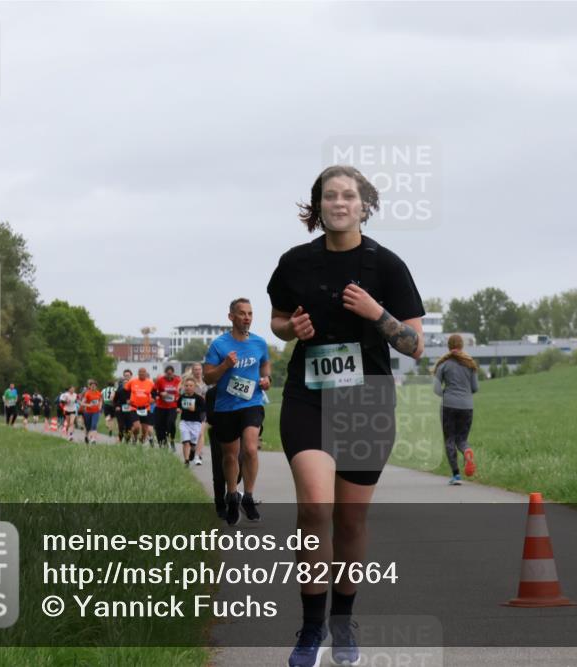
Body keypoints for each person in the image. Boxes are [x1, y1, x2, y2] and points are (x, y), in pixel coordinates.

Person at [267, 165, 424, 667]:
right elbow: (277, 320)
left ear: (364, 205)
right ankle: (311, 629)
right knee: (315, 508)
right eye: (330, 196)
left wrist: (377, 314)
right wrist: (291, 327)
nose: (339, 203)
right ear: (317, 206)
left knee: (351, 518)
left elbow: (415, 345)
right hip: (308, 394)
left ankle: (342, 621)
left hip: (367, 400)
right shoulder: (295, 262)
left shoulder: (387, 266)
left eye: (348, 196)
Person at [203, 298, 271, 526]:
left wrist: (266, 379)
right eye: (242, 313)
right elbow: (207, 377)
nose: (247, 317)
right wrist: (224, 366)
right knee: (230, 456)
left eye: (250, 313)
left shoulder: (260, 343)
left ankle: (248, 497)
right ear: (231, 317)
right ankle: (232, 496)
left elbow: (265, 366)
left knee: (251, 448)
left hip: (251, 402)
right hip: (225, 406)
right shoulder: (218, 345)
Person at [433, 334, 479, 485]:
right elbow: (475, 388)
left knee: (450, 440)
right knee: (462, 440)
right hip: (467, 406)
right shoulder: (470, 364)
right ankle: (467, 451)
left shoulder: (443, 365)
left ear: (449, 346)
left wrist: (446, 394)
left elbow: (436, 389)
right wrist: (464, 393)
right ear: (462, 346)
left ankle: (456, 475)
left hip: (448, 406)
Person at [124, 368, 156, 445]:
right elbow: (125, 391)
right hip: (134, 407)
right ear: (138, 373)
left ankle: (141, 442)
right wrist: (127, 399)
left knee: (145, 430)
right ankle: (134, 439)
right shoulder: (132, 381)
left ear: (146, 373)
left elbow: (155, 393)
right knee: (137, 427)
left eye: (143, 372)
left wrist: (153, 400)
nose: (141, 374)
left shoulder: (150, 383)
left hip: (145, 408)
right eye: (140, 372)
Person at [179, 377, 207, 465]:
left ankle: (193, 451)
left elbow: (204, 409)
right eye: (186, 385)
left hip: (195, 423)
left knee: (193, 444)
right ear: (184, 387)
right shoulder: (182, 397)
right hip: (184, 422)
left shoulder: (199, 398)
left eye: (191, 385)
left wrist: (194, 409)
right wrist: (178, 409)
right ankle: (186, 460)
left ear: (194, 387)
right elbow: (178, 405)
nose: (188, 387)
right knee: (186, 442)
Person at [153, 365, 182, 448]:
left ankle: (172, 439)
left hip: (173, 407)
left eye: (171, 373)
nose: (169, 375)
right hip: (161, 407)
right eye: (167, 374)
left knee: (171, 423)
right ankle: (162, 443)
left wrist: (179, 404)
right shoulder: (160, 380)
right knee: (159, 426)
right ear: (165, 373)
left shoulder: (178, 380)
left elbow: (182, 391)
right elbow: (153, 391)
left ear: (173, 373)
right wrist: (160, 394)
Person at [113, 369, 134, 443]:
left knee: (129, 426)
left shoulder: (134, 387)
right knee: (121, 426)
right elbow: (115, 399)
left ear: (131, 376)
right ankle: (120, 439)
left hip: (131, 409)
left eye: (128, 375)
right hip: (121, 409)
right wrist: (117, 406)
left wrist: (132, 402)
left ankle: (127, 441)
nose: (126, 377)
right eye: (125, 376)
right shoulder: (120, 387)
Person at [81, 380, 103, 444]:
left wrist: (100, 406)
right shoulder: (87, 393)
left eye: (94, 386)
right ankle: (86, 436)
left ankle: (93, 439)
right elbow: (82, 403)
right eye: (92, 386)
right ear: (90, 386)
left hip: (96, 412)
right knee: (88, 427)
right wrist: (89, 405)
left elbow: (101, 400)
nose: (93, 387)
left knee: (94, 425)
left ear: (96, 386)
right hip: (88, 412)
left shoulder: (99, 393)